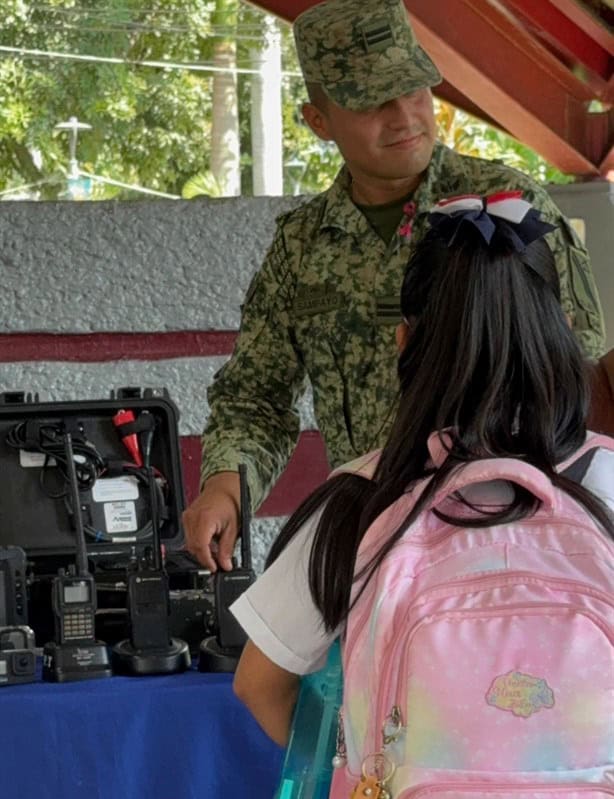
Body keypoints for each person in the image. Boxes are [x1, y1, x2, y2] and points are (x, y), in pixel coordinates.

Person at [183, 0, 606, 572]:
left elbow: (579, 375)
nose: (405, 115)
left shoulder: (507, 208)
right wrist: (225, 487)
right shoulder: (304, 245)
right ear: (318, 121)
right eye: (373, 102)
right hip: (374, 544)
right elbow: (254, 398)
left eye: (414, 90)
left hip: (512, 541)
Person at [230, 197, 614, 751]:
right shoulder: (604, 479)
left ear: (403, 342)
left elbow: (259, 685)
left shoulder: (361, 498)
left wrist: (352, 767)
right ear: (565, 334)